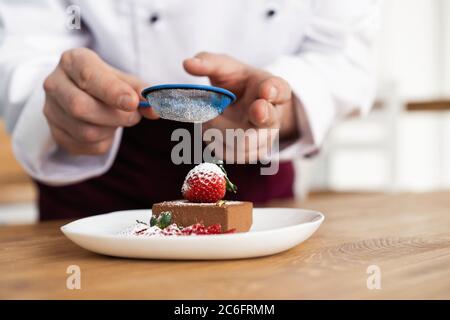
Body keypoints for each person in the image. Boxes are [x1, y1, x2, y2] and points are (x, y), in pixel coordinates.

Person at [0, 0, 380, 220]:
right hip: (96, 196)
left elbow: (344, 48)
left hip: (255, 196)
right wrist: (62, 103)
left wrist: (278, 106)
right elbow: (25, 40)